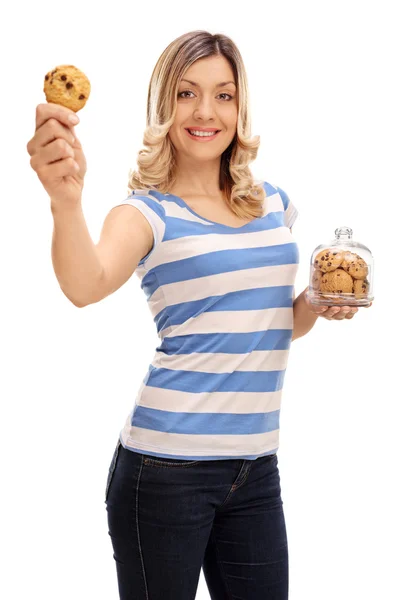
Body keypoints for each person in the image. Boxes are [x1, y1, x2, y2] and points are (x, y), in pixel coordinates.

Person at [27, 30, 371, 600]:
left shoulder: (273, 204)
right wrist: (65, 201)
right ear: (164, 106)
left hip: (256, 469)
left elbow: (273, 322)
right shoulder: (146, 213)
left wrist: (311, 304)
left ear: (241, 106)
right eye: (187, 93)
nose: (206, 111)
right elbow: (84, 285)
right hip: (165, 473)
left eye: (224, 95)